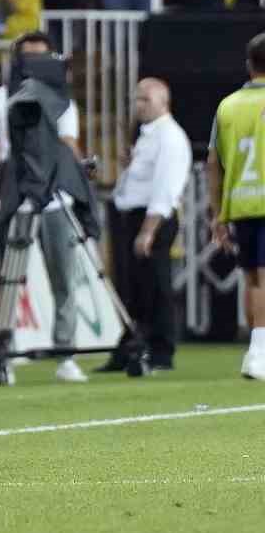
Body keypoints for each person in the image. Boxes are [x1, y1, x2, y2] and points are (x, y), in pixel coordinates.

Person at [0, 31, 89, 384]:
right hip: (16, 193)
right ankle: (2, 354)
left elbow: (68, 147)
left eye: (43, 57)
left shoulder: (64, 102)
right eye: (29, 58)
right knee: (6, 275)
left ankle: (65, 352)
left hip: (55, 197)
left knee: (63, 277)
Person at [106, 79, 191, 373]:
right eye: (137, 99)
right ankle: (131, 347)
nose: (139, 105)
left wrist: (148, 230)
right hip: (130, 215)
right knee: (132, 288)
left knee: (156, 286)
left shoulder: (170, 137)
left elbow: (165, 190)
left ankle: (161, 351)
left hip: (152, 218)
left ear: (163, 102)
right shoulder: (147, 135)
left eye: (146, 100)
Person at [206, 32, 265, 381]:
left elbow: (213, 163)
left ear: (248, 64)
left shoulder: (227, 105)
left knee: (253, 277)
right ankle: (258, 352)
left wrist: (218, 213)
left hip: (242, 201)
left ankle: (254, 349)